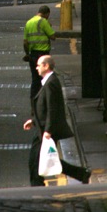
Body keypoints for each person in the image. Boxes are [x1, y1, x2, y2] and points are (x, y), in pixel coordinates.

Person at [23, 55, 91, 186]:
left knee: (36, 160)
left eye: (39, 65)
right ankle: (81, 173)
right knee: (45, 158)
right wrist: (34, 121)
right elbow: (45, 108)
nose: (36, 68)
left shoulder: (51, 83)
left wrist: (48, 130)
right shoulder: (48, 82)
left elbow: (53, 109)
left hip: (46, 129)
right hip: (42, 127)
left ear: (46, 66)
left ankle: (37, 187)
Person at [23, 5, 58, 98]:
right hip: (43, 55)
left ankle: (33, 106)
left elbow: (25, 42)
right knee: (45, 80)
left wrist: (27, 54)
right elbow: (53, 37)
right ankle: (43, 103)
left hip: (32, 54)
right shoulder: (43, 21)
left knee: (35, 80)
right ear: (47, 14)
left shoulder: (28, 22)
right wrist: (49, 26)